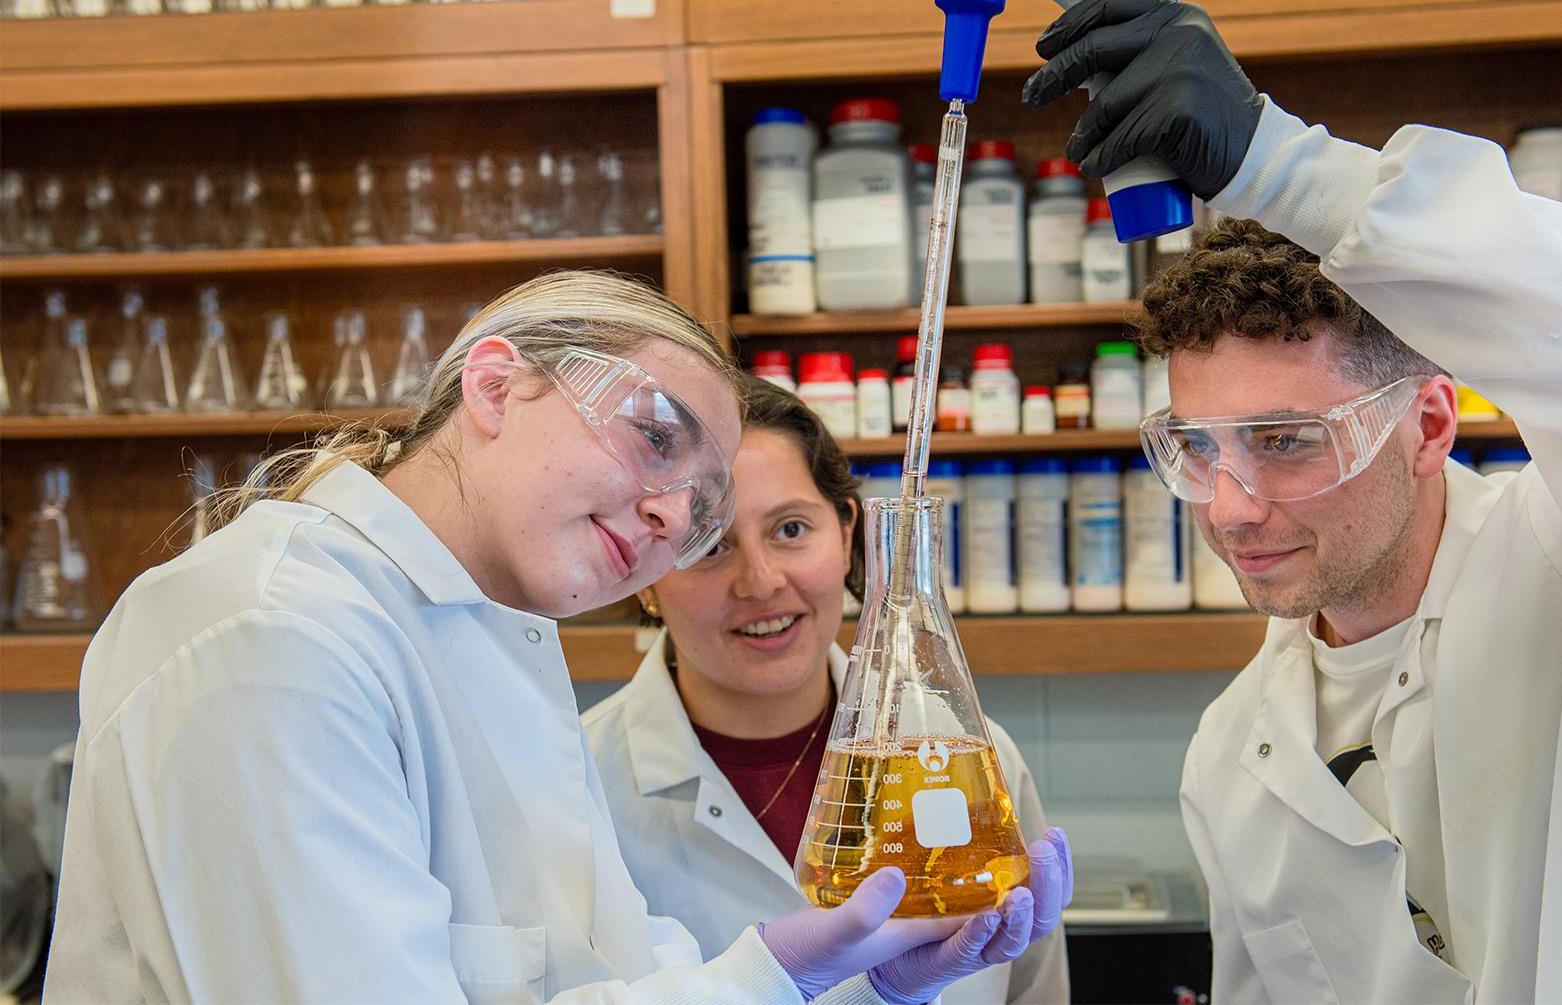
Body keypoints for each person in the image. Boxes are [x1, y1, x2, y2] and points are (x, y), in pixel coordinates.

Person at [1025, 0, 1562, 1002]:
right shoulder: (1230, 754)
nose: (1229, 507)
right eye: (1195, 448)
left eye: (1286, 441)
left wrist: (1279, 167)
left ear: (1430, 423)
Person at [43, 271, 1069, 1003]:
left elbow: (620, 982)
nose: (675, 517)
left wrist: (851, 984)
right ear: (495, 386)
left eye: (700, 504)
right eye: (656, 436)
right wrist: (774, 974)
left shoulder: (499, 655)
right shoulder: (271, 637)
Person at [582, 377, 1071, 1004]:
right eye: (708, 544)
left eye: (790, 529)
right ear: (645, 573)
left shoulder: (968, 761)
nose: (759, 583)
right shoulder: (580, 785)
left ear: (846, 534)